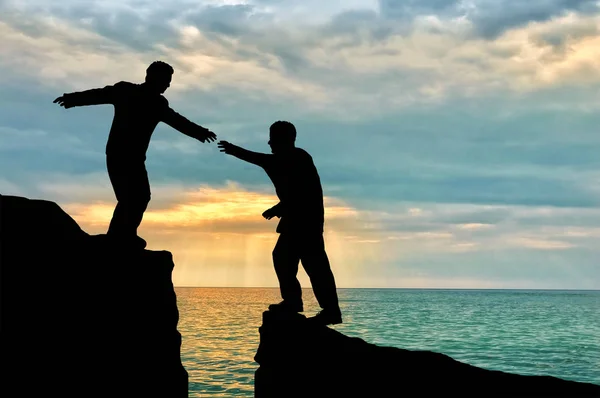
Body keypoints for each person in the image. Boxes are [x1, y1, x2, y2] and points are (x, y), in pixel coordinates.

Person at [53, 61, 216, 249]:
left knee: (139, 197)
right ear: (153, 77)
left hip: (135, 158)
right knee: (132, 197)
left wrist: (201, 133)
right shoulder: (126, 91)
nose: (169, 85)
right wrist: (72, 99)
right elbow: (99, 94)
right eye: (166, 80)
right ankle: (119, 237)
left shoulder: (158, 103)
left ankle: (124, 234)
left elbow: (177, 120)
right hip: (118, 154)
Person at [217, 121, 342, 325]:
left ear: (284, 139)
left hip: (306, 224)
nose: (269, 142)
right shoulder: (292, 158)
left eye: (273, 138)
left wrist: (234, 150)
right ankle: (298, 303)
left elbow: (302, 193)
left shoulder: (297, 158)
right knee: (287, 259)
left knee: (312, 265)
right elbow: (289, 186)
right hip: (298, 222)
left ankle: (327, 309)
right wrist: (279, 209)